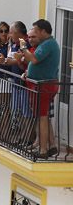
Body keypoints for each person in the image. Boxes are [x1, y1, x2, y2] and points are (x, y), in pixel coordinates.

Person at [20, 19, 60, 158]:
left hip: (44, 85)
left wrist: (23, 48)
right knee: (44, 116)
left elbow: (34, 59)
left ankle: (43, 150)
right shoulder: (47, 43)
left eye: (36, 31)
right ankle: (52, 146)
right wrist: (28, 73)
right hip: (42, 84)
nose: (34, 35)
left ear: (43, 31)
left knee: (42, 116)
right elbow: (39, 63)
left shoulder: (48, 44)